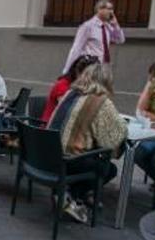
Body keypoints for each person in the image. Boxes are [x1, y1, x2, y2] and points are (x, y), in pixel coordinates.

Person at [47, 63, 127, 223]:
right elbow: (113, 139)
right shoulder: (101, 102)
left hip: (47, 156)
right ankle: (72, 197)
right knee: (109, 168)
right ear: (107, 81)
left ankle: (69, 194)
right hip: (68, 161)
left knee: (93, 154)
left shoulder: (69, 94)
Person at [63, 0, 125, 73]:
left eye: (112, 9)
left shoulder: (107, 27)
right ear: (99, 9)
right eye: (109, 9)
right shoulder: (88, 26)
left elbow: (120, 39)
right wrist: (67, 70)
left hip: (104, 67)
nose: (111, 12)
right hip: (90, 67)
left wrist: (115, 25)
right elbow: (76, 48)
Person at [41, 55, 98, 123]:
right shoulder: (62, 85)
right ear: (78, 72)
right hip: (52, 128)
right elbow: (69, 111)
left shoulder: (84, 86)